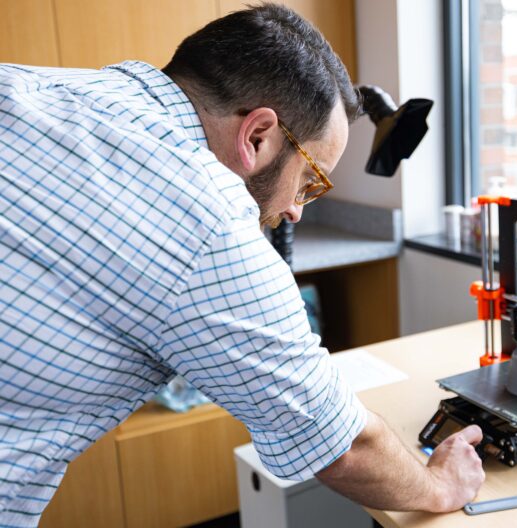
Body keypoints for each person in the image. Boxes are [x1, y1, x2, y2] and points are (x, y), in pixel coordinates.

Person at [0, 3, 484, 525]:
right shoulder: (205, 222)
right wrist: (439, 486)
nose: (297, 208)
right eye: (309, 180)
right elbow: (343, 446)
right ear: (258, 135)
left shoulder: (34, 85)